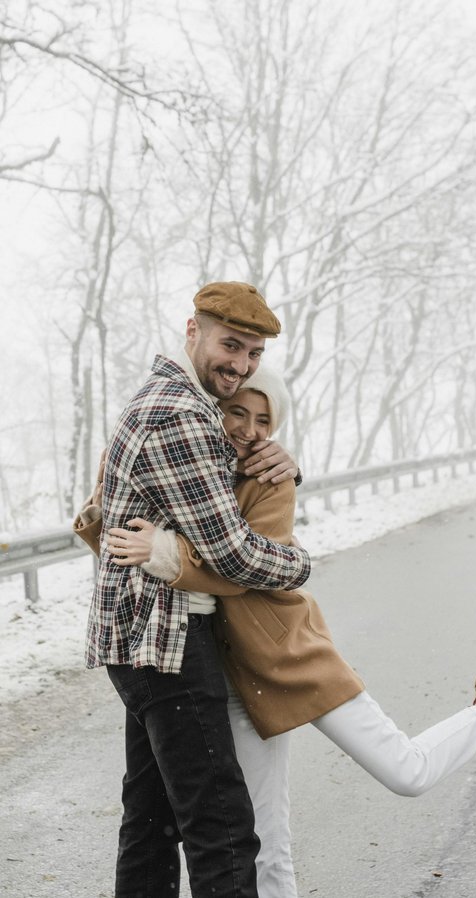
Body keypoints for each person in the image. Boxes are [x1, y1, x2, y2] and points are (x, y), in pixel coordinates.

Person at [80, 366, 476, 898]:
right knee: (263, 840)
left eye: (264, 420)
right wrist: (113, 490)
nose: (249, 429)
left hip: (289, 656)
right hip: (231, 678)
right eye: (237, 412)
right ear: (213, 413)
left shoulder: (270, 481)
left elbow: (242, 571)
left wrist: (167, 554)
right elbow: (113, 538)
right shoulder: (187, 471)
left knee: (406, 772)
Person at [83, 282, 312, 898]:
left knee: (152, 822)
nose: (241, 365)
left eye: (254, 353)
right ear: (193, 331)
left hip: (142, 639)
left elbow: (210, 492)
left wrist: (285, 465)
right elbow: (232, 552)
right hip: (167, 640)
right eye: (230, 345)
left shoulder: (182, 400)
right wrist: (297, 565)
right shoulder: (181, 414)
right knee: (223, 828)